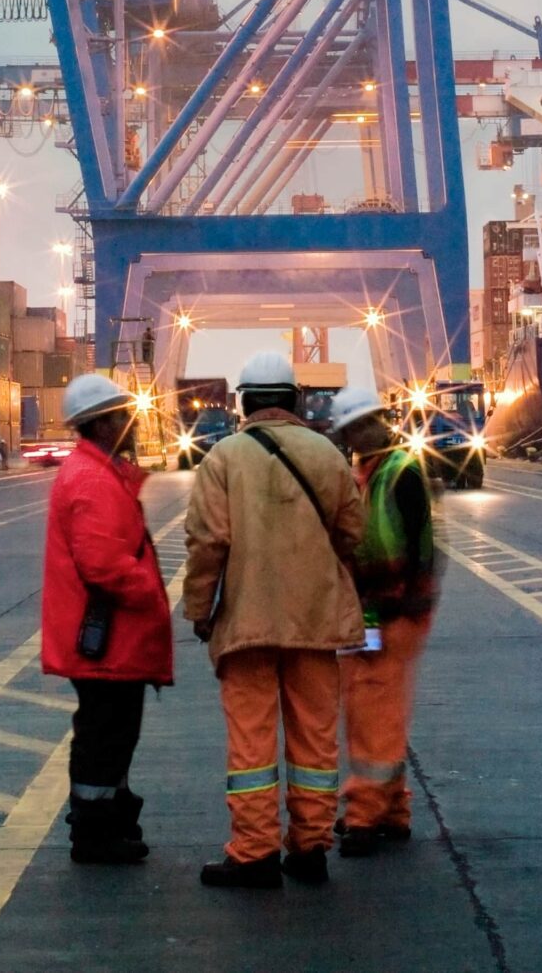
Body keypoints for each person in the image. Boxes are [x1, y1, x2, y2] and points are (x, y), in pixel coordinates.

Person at [181, 349, 364, 889]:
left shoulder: (222, 458)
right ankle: (310, 849)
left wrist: (199, 610)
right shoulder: (328, 455)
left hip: (247, 623)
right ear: (296, 399)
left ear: (244, 402)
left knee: (251, 745)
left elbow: (207, 543)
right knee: (315, 742)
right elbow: (353, 533)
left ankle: (255, 853)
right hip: (316, 621)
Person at [41, 372, 173, 866]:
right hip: (108, 640)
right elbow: (102, 564)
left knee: (112, 734)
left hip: (110, 639)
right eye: (122, 416)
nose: (131, 423)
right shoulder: (93, 480)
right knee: (105, 734)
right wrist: (151, 594)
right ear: (100, 424)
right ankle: (95, 833)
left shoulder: (97, 472)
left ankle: (109, 821)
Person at [325, 387, 439, 856]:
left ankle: (364, 815)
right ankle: (392, 809)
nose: (354, 436)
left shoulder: (398, 471)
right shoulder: (369, 473)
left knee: (372, 712)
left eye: (358, 426)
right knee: (374, 709)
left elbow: (421, 546)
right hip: (371, 610)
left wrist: (409, 601)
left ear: (376, 422)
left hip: (393, 610)